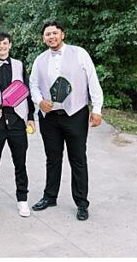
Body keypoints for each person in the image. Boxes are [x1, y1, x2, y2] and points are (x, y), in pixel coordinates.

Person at [29, 21, 104, 221]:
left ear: (62, 34)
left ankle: (81, 203)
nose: (51, 37)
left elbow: (93, 82)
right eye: (47, 34)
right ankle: (49, 196)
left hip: (75, 115)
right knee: (52, 159)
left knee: (78, 159)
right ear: (43, 38)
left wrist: (97, 109)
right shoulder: (39, 60)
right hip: (50, 118)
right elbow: (33, 85)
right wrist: (39, 101)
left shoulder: (79, 53)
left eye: (54, 33)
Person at [0, 31, 35, 218]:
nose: (1, 46)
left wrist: (31, 117)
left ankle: (22, 200)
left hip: (17, 121)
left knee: (20, 162)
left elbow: (27, 92)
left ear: (10, 45)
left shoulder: (19, 65)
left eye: (4, 43)